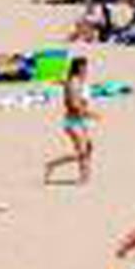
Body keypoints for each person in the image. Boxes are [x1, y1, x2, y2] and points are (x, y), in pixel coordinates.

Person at [44, 56, 94, 184]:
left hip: (82, 119)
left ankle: (83, 176)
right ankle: (54, 165)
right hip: (73, 120)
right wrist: (90, 113)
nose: (86, 69)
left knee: (87, 149)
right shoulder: (74, 82)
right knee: (82, 150)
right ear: (78, 68)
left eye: (86, 66)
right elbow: (73, 104)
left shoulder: (81, 81)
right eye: (83, 67)